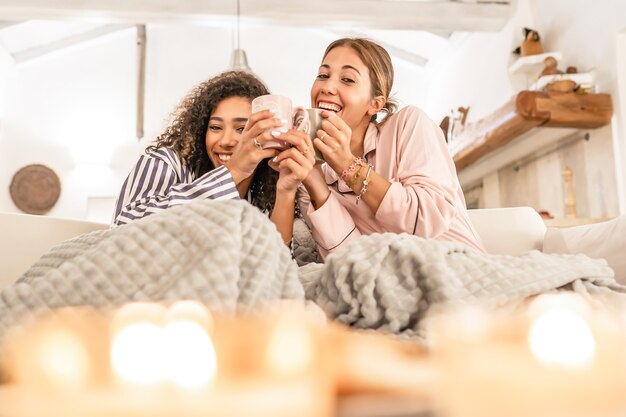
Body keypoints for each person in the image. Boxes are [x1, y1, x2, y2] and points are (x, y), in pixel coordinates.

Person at [297, 38, 485, 258]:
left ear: (375, 104)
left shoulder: (408, 124)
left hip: (460, 269)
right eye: (323, 75)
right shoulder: (309, 176)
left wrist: (347, 165)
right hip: (387, 286)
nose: (327, 87)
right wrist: (315, 181)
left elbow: (427, 221)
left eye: (347, 79)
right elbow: (349, 262)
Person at [113, 70, 316, 245]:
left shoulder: (259, 192)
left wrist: (286, 192)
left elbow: (274, 265)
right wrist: (233, 171)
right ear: (202, 131)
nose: (227, 140)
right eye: (216, 127)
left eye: (242, 129)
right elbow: (124, 229)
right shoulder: (166, 163)